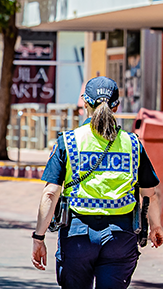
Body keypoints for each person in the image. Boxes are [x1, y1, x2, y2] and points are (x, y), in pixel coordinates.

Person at [31, 76, 163, 288]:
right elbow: (150, 194)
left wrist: (39, 236)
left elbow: (50, 193)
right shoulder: (132, 144)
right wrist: (156, 226)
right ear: (117, 106)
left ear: (85, 103)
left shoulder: (69, 141)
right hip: (121, 236)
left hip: (77, 236)